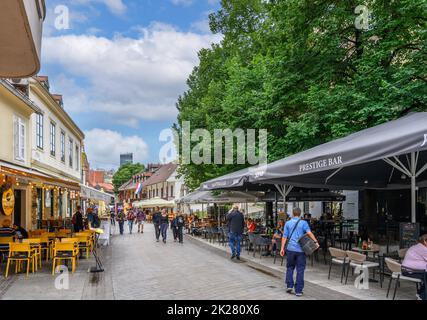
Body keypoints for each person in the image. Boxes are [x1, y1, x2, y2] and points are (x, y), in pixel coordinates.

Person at [280, 208, 319, 297]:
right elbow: (309, 233)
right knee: (300, 270)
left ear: (293, 214)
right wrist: (316, 242)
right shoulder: (304, 223)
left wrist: (282, 248)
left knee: (289, 267)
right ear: (300, 214)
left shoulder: (288, 223)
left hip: (290, 249)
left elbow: (284, 237)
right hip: (301, 250)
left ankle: (289, 285)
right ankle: (298, 290)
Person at [402, 234, 427, 300]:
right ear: (425, 241)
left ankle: (420, 294)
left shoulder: (418, 246)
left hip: (409, 270)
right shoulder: (423, 248)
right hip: (410, 271)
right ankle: (422, 297)